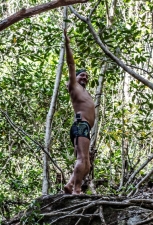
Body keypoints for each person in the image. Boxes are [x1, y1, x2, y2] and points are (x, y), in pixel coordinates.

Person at [63, 29, 95, 195]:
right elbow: (71, 64)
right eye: (82, 75)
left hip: (84, 127)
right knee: (82, 159)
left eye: (86, 77)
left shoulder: (84, 92)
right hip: (80, 124)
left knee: (87, 164)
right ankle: (76, 189)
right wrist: (68, 44)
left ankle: (70, 184)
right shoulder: (74, 87)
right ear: (75, 78)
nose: (84, 78)